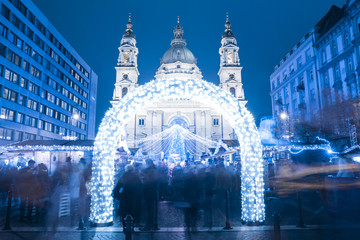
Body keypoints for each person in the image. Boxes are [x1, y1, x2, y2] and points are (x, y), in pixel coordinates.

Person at [113, 164, 142, 229]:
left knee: (123, 213)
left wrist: (117, 196)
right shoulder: (136, 177)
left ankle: (124, 226)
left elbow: (117, 188)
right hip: (134, 198)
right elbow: (140, 187)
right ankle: (133, 226)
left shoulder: (123, 177)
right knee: (134, 212)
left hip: (124, 197)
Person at [140, 159, 159, 231]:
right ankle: (152, 224)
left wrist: (143, 177)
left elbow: (149, 180)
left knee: (148, 209)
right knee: (151, 209)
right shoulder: (153, 169)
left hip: (149, 191)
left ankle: (148, 225)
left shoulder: (151, 170)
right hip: (151, 191)